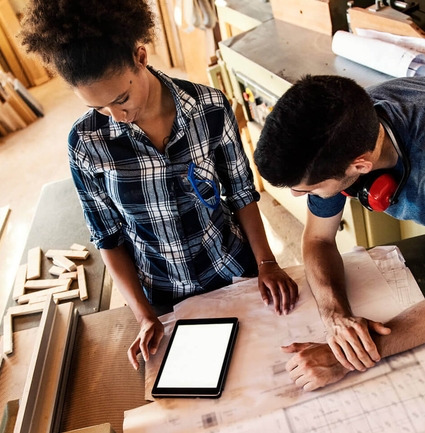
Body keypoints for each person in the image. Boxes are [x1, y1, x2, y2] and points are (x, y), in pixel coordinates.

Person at [19, 0, 298, 369]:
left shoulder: (210, 108)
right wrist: (143, 313)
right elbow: (108, 236)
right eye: (99, 108)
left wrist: (267, 262)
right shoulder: (85, 143)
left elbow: (242, 192)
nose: (118, 116)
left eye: (121, 98)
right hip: (161, 293)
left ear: (140, 56)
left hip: (232, 268)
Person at [254, 74, 425, 391]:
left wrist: (347, 357)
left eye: (308, 189)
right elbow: (317, 239)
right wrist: (336, 318)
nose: (297, 196)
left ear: (361, 166)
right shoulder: (345, 128)